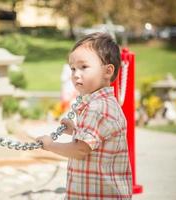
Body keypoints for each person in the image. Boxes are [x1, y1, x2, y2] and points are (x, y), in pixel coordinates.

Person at [36, 32, 133, 199]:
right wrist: (75, 132)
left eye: (83, 67)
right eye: (73, 68)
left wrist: (50, 145)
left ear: (108, 71)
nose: (75, 74)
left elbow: (81, 150)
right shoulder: (101, 104)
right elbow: (96, 142)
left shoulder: (97, 108)